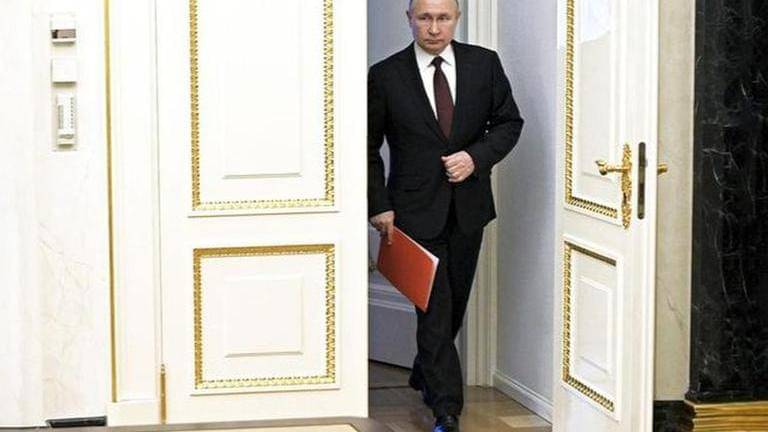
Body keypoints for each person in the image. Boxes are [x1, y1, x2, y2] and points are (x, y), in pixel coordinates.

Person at [367, 0, 524, 431]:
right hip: (413, 211)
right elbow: (367, 147)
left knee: (453, 303)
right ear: (410, 20)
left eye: (443, 18)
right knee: (433, 310)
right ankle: (446, 410)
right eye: (424, 18)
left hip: (469, 207)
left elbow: (509, 123)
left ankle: (424, 371)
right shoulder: (385, 75)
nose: (434, 28)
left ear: (456, 19)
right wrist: (378, 204)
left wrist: (475, 158)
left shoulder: (483, 65)